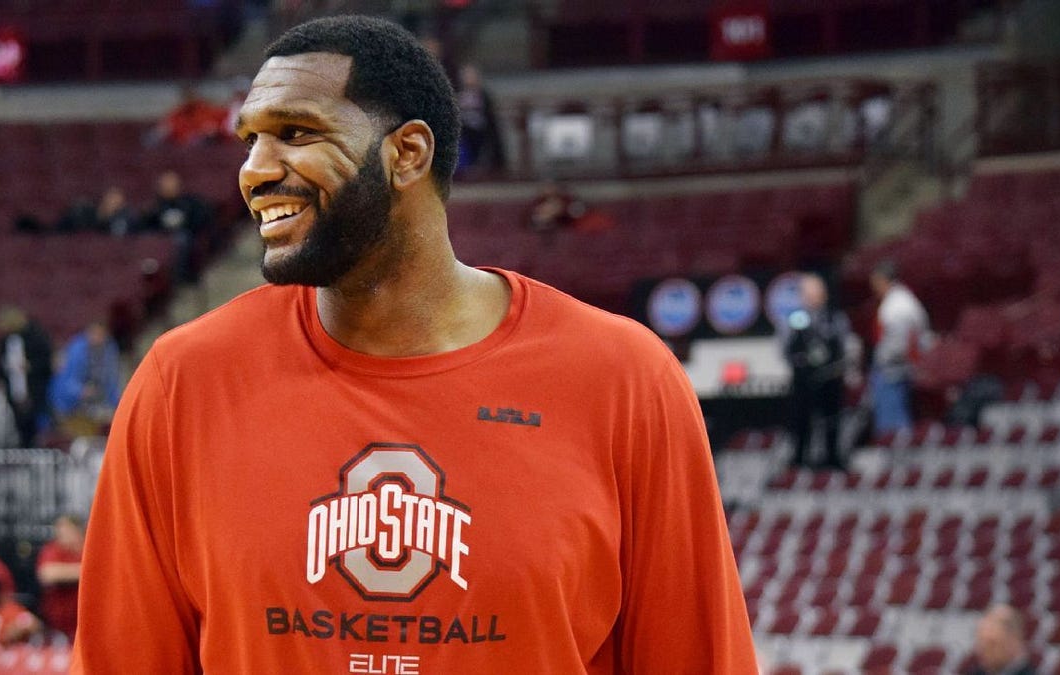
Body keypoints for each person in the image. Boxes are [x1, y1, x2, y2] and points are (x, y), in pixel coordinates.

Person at [72, 15, 754, 674]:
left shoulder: (625, 380)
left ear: (407, 153)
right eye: (250, 140)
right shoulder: (183, 382)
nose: (254, 170)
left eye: (295, 133)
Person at [784, 274, 851, 470]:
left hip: (830, 379)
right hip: (804, 380)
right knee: (801, 420)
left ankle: (832, 457)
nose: (813, 298)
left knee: (831, 420)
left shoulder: (835, 318)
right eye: (809, 293)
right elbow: (785, 347)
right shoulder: (794, 319)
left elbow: (844, 345)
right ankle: (799, 458)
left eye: (817, 293)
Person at [868, 260, 930, 435]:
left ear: (882, 280)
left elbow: (900, 344)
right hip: (898, 366)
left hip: (894, 369)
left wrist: (883, 360)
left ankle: (895, 451)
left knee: (893, 423)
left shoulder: (897, 306)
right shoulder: (900, 300)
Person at [0, 306, 54, 448]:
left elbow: (47, 362)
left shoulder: (36, 336)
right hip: (14, 392)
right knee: (18, 426)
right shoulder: (5, 341)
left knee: (34, 427)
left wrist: (30, 366)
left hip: (35, 390)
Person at [49, 322, 122, 436]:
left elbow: (112, 378)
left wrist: (116, 402)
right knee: (79, 432)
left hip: (97, 402)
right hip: (72, 404)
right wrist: (81, 391)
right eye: (95, 334)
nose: (98, 338)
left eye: (101, 335)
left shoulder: (110, 349)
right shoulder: (76, 349)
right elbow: (67, 380)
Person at [142, 170, 213, 283]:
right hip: (162, 238)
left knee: (181, 240)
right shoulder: (156, 207)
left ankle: (180, 276)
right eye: (165, 185)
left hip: (185, 237)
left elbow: (199, 221)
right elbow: (148, 225)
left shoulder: (189, 203)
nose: (169, 187)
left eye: (171, 184)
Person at [38, 515, 83, 641]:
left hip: (84, 623)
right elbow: (48, 574)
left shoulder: (88, 548)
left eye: (66, 531)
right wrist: (84, 571)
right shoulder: (53, 550)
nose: (61, 536)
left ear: (78, 531)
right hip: (57, 627)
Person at [455, 63, 505, 175]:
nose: (469, 79)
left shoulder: (484, 95)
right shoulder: (458, 94)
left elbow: (489, 116)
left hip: (482, 130)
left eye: (471, 76)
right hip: (464, 130)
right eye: (466, 76)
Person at [969, 604, 1036, 675]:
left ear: (1014, 642)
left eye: (991, 644)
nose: (982, 650)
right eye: (980, 643)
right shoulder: (979, 672)